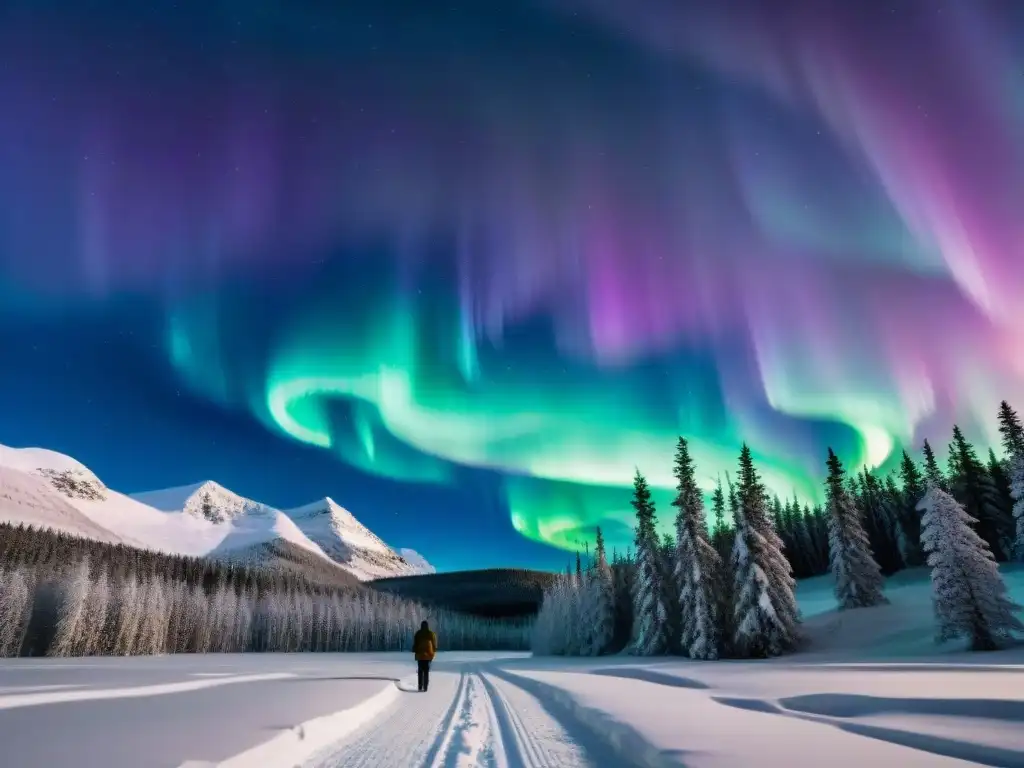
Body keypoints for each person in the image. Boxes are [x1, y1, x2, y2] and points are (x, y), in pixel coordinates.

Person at [412, 620, 437, 692]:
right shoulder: (431, 634)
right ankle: (425, 687)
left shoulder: (418, 633)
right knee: (426, 671)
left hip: (420, 656)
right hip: (428, 656)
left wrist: (414, 650)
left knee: (420, 671)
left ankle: (420, 686)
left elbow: (415, 644)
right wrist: (433, 652)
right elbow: (434, 645)